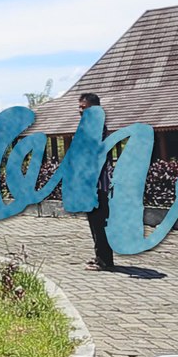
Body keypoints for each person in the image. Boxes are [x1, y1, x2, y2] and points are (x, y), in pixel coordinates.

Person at [79, 92, 115, 271]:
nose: (80, 111)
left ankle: (105, 261)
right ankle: (99, 256)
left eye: (84, 107)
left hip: (97, 185)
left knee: (99, 223)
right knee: (94, 223)